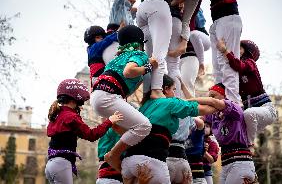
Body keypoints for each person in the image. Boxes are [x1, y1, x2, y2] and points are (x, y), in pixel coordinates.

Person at [121, 74, 221, 184]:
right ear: (166, 89)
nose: (174, 93)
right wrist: (221, 102)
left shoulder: (143, 107)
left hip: (129, 162)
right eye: (173, 89)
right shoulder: (172, 103)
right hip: (158, 160)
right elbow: (206, 110)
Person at [91, 25, 158, 171]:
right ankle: (113, 154)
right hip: (108, 96)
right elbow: (129, 72)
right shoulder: (139, 55)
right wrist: (149, 67)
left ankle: (124, 162)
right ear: (140, 43)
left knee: (133, 131)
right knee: (144, 126)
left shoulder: (116, 58)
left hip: (98, 96)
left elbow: (126, 80)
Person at [45, 79, 123, 184]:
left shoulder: (57, 115)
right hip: (62, 165)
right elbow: (91, 135)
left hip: (50, 165)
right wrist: (109, 121)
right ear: (74, 99)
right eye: (80, 101)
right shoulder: (71, 116)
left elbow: (61, 135)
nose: (81, 106)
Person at [216, 39, 277, 147]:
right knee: (240, 122)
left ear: (247, 51)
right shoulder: (234, 74)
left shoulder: (250, 63)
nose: (235, 50)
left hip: (267, 110)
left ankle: (250, 144)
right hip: (251, 114)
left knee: (248, 114)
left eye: (239, 48)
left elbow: (239, 66)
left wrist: (225, 51)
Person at [193, 83, 256, 184]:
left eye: (213, 96)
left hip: (240, 162)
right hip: (226, 163)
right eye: (209, 96)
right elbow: (196, 110)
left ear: (225, 96)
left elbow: (212, 102)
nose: (210, 99)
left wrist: (183, 101)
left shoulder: (235, 108)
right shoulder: (214, 116)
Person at [207, 0, 243, 104]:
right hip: (216, 17)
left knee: (226, 63)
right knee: (217, 65)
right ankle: (220, 102)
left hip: (227, 14)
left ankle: (233, 104)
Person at [185, 117, 207, 184]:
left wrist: (188, 116)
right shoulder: (180, 135)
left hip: (198, 176)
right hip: (185, 175)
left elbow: (200, 123)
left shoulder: (197, 133)